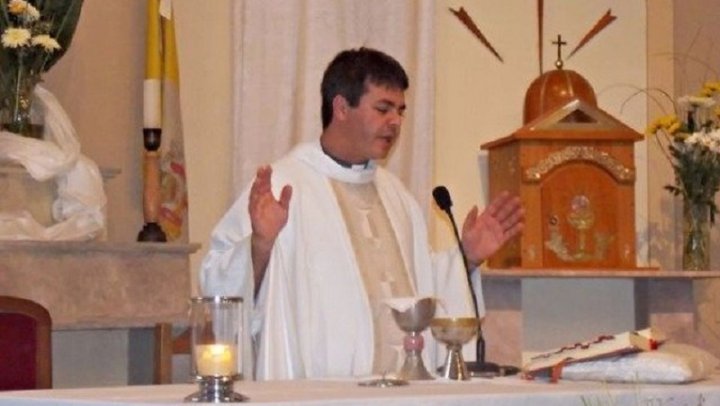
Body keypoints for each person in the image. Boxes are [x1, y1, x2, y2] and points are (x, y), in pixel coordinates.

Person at [200, 47, 524, 380]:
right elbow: (217, 287)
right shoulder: (283, 186)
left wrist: (464, 258)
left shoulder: (397, 196)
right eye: (383, 108)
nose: (395, 122)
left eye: (400, 111)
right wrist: (260, 245)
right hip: (317, 394)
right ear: (341, 107)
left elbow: (421, 290)